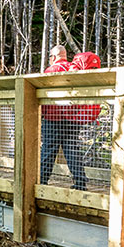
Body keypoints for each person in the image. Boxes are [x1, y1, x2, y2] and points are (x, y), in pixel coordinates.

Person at [39, 46, 101, 191]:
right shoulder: (73, 68)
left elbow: (43, 93)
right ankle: (80, 183)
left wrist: (41, 113)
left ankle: (42, 181)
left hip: (53, 118)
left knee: (49, 149)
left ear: (53, 57)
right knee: (72, 149)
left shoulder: (51, 70)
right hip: (73, 118)